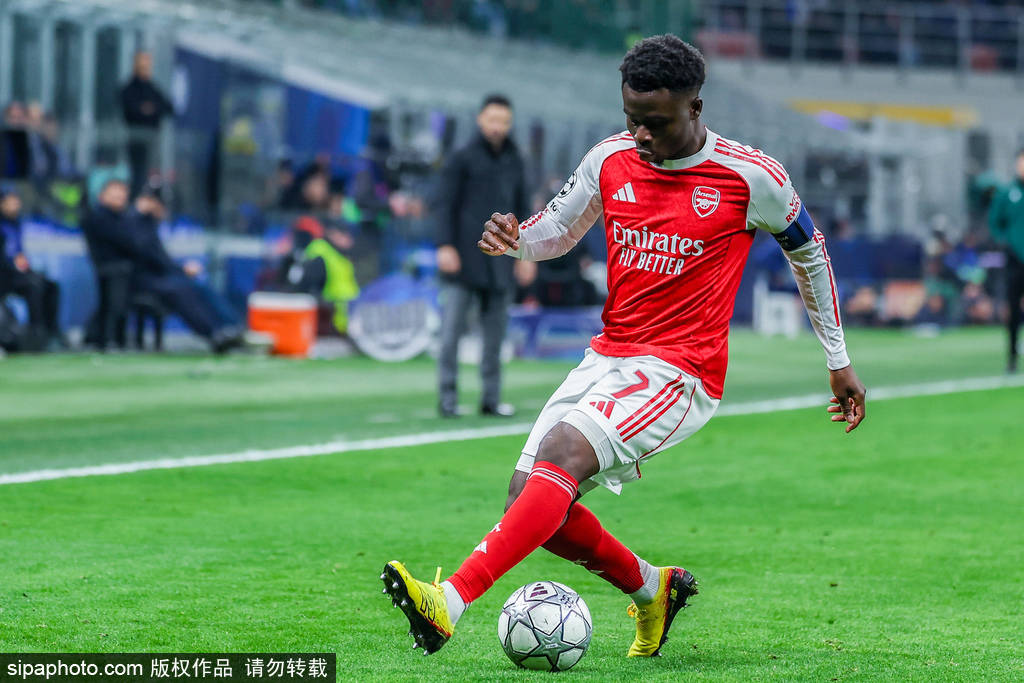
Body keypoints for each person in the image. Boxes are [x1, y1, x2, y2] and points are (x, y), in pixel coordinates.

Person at [381, 35, 867, 659]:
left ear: (695, 107)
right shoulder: (609, 159)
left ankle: (449, 602)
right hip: (608, 354)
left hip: (681, 371)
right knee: (529, 501)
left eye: (655, 122)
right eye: (631, 118)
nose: (640, 135)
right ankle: (652, 589)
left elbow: (810, 254)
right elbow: (557, 231)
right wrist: (515, 238)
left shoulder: (751, 177)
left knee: (562, 454)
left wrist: (837, 359)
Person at [435, 94, 528, 417]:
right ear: (480, 120)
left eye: (503, 121)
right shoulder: (462, 157)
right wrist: (445, 245)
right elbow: (444, 204)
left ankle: (491, 400)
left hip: (501, 261)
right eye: (492, 119)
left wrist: (527, 255)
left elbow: (523, 210)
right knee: (451, 333)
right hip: (463, 258)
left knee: (495, 337)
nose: (497, 126)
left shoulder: (515, 159)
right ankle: (448, 399)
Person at [0, 187, 63, 349]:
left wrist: (23, 265)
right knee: (34, 285)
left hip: (16, 273)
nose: (15, 204)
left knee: (50, 285)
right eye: (10, 201)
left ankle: (50, 333)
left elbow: (17, 253)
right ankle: (36, 333)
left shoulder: (16, 223)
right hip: (4, 275)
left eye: (16, 200)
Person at [988, 148, 1024, 373]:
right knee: (1013, 308)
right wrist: (1005, 242)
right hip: (1015, 260)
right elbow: (995, 222)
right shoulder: (1007, 193)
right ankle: (1012, 356)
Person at [120, 52, 173, 198]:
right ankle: (136, 199)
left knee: (153, 173)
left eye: (147, 64)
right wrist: (145, 110)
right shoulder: (129, 88)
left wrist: (151, 109)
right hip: (136, 139)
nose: (146, 68)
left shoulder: (153, 88)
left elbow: (168, 107)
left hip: (153, 139)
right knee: (138, 172)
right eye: (142, 64)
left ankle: (151, 199)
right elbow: (131, 109)